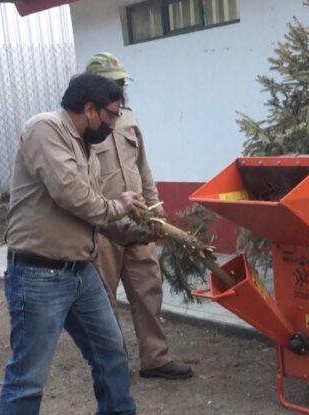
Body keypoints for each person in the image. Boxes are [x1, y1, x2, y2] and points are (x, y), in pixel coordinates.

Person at [0, 73, 154, 414]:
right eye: (112, 115)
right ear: (89, 109)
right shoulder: (44, 130)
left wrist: (137, 232)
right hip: (38, 274)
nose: (114, 125)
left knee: (111, 353)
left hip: (80, 273)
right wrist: (121, 205)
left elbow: (94, 214)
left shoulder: (86, 146)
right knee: (28, 378)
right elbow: (74, 196)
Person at [86, 52, 193, 380]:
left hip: (139, 221)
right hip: (104, 225)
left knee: (149, 287)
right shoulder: (85, 127)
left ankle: (155, 359)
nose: (119, 89)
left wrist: (156, 208)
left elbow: (142, 167)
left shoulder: (129, 119)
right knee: (104, 297)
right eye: (112, 84)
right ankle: (112, 363)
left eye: (120, 83)